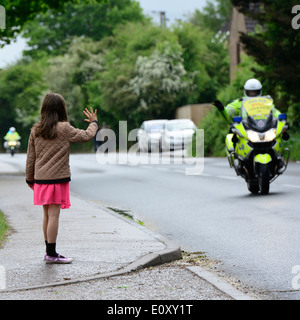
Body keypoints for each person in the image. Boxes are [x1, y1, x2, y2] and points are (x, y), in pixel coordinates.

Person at [26, 92, 99, 264]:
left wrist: (30, 178)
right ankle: (51, 254)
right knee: (54, 215)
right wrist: (94, 123)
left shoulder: (36, 130)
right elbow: (86, 136)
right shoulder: (65, 128)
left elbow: (31, 157)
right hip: (56, 179)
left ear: (44, 109)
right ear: (61, 109)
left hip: (41, 179)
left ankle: (48, 251)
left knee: (46, 215)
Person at [213, 78, 281, 122]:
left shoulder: (265, 102)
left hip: (265, 127)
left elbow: (274, 111)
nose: (253, 94)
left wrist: (282, 118)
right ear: (246, 91)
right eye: (250, 92)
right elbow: (228, 113)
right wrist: (222, 108)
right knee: (230, 139)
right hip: (245, 130)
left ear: (259, 91)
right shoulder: (240, 102)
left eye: (255, 92)